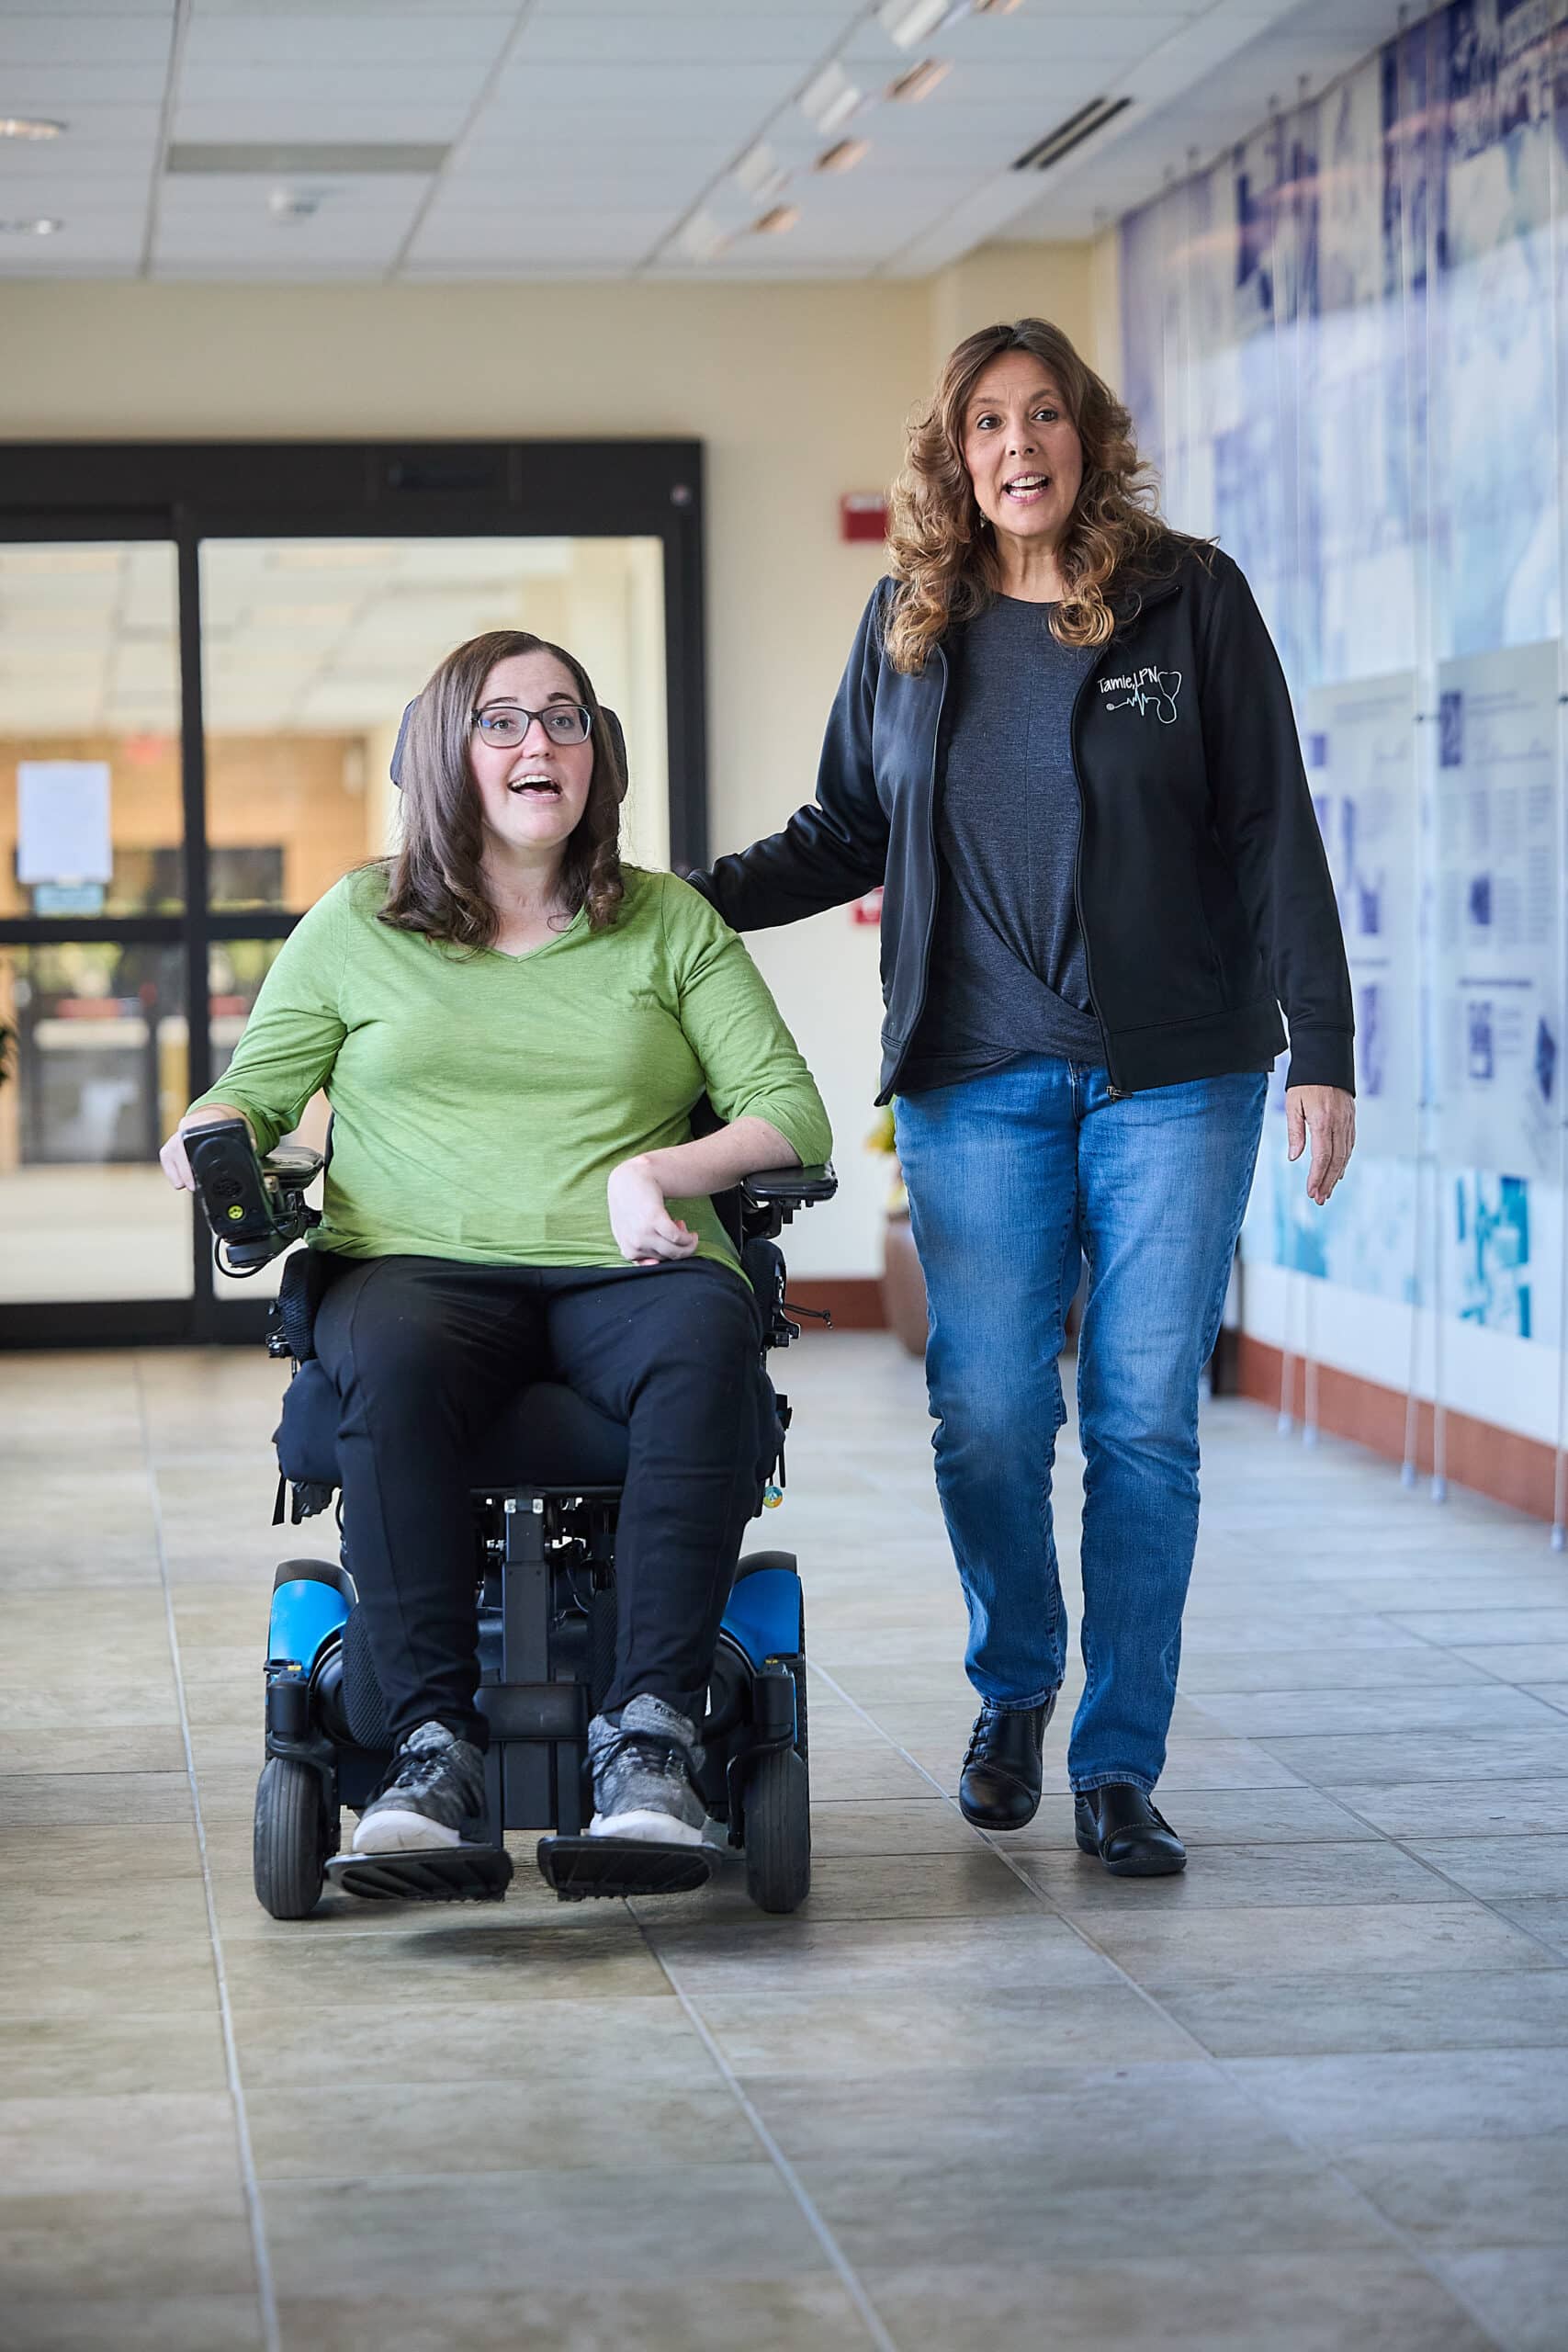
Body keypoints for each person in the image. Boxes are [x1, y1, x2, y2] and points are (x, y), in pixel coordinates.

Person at [690, 318, 1355, 1877]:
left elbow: (1272, 823)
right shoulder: (908, 621)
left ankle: (1119, 1762)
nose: (1017, 445)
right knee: (987, 1411)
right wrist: (678, 902)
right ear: (955, 455)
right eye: (986, 421)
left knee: (1142, 1420)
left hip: (1175, 1073)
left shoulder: (1189, 598)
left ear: (1087, 436)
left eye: (1043, 413)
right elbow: (844, 829)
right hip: (976, 1074)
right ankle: (1016, 1685)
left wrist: (1320, 1042)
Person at [161, 628, 830, 1856]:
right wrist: (210, 1138)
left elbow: (788, 1109)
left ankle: (650, 1741)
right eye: (504, 720)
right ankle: (428, 1748)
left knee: (703, 1337)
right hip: (416, 1265)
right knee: (391, 1354)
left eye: (566, 719)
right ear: (444, 754)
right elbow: (251, 1094)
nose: (541, 744)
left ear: (597, 756)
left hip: (627, 1267)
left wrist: (661, 1170)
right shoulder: (360, 920)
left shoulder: (669, 922)